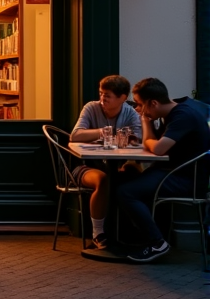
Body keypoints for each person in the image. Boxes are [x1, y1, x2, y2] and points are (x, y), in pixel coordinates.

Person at [117, 77, 210, 263]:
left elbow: (158, 148)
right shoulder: (171, 114)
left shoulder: (182, 116)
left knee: (126, 192)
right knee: (125, 177)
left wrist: (151, 141)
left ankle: (157, 243)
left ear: (153, 103)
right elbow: (150, 143)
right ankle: (138, 238)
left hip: (185, 179)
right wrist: (146, 119)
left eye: (140, 105)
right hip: (171, 171)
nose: (138, 109)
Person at [69, 75, 141, 249]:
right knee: (103, 180)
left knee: (135, 175)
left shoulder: (129, 112)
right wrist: (104, 132)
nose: (102, 98)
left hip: (116, 165)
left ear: (123, 98)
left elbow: (138, 139)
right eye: (101, 93)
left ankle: (129, 232)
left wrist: (128, 138)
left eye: (107, 95)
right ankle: (98, 234)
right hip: (86, 167)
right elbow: (75, 135)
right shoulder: (91, 108)